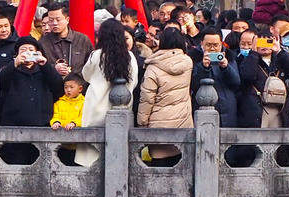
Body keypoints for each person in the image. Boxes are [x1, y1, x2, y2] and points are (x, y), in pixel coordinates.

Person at [74, 18, 138, 167]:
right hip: (121, 109)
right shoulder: (129, 57)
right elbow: (133, 82)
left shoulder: (96, 55)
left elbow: (86, 76)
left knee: (91, 156)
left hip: (96, 107)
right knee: (117, 155)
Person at [136, 27, 192, 164]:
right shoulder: (187, 62)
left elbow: (147, 98)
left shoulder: (153, 66)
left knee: (158, 168)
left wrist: (141, 122)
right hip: (183, 122)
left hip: (158, 124)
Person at [238, 29, 289, 128]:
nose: (264, 46)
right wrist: (254, 53)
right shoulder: (248, 59)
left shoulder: (280, 59)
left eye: (268, 42)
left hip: (280, 109)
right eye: (261, 42)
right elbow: (248, 76)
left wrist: (279, 51)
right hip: (257, 110)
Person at [0, 35, 63, 126]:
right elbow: (2, 83)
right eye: (23, 50)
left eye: (31, 50)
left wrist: (45, 64)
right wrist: (15, 63)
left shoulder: (45, 69)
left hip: (41, 122)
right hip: (14, 123)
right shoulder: (10, 68)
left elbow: (58, 85)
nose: (27, 53)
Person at [191, 26, 240, 127]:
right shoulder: (193, 58)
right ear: (201, 44)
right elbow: (194, 85)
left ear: (221, 44)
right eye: (208, 45)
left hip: (227, 108)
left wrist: (226, 67)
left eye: (216, 45)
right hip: (203, 109)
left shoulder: (229, 57)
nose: (212, 48)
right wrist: (204, 68)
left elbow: (236, 82)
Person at [40, 2, 94, 77]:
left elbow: (92, 65)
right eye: (51, 20)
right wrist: (53, 68)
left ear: (67, 19)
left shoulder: (82, 40)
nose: (54, 23)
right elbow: (39, 68)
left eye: (58, 20)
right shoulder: (43, 42)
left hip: (79, 86)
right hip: (53, 85)